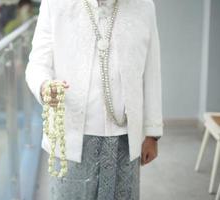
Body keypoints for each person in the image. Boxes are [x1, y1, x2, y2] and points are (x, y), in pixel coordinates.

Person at [25, 0, 163, 199]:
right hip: (71, 140)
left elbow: (152, 70)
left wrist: (152, 133)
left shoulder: (143, 5)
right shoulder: (54, 3)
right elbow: (38, 62)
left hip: (125, 139)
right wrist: (44, 86)